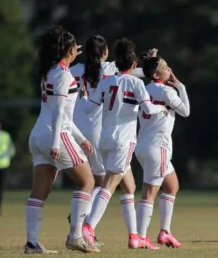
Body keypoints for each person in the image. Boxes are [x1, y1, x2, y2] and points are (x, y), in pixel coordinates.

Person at [82, 38, 167, 249]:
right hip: (124, 141)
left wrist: (86, 97)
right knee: (109, 186)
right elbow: (148, 109)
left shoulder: (106, 81)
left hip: (106, 139)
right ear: (133, 64)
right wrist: (162, 109)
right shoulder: (136, 83)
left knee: (129, 187)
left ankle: (134, 237)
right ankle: (88, 227)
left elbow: (90, 109)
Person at [24, 25, 99, 254]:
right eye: (74, 47)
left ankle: (32, 243)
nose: (78, 50)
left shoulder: (49, 71)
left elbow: (63, 114)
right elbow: (58, 112)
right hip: (53, 135)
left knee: (39, 192)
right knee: (88, 182)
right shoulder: (64, 74)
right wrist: (57, 143)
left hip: (38, 135)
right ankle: (76, 236)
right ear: (68, 50)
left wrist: (81, 137)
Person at [67, 36, 145, 247]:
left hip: (78, 126)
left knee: (123, 184)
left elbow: (59, 72)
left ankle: (136, 236)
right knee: (99, 184)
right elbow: (134, 72)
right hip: (103, 130)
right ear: (104, 53)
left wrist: (69, 54)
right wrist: (148, 63)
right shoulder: (110, 69)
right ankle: (82, 226)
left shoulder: (76, 70)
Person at [135, 54, 190, 248]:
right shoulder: (166, 91)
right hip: (158, 147)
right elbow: (186, 111)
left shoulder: (143, 88)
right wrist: (180, 86)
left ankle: (165, 232)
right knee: (149, 193)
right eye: (166, 67)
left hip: (142, 145)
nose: (170, 70)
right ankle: (140, 237)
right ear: (157, 72)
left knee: (172, 186)